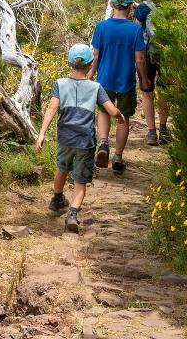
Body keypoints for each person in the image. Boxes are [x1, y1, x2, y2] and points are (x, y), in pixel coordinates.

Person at [34, 43, 123, 232]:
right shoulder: (96, 87)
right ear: (91, 65)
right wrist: (119, 116)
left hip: (65, 138)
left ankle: (57, 198)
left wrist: (41, 133)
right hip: (85, 140)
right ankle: (73, 214)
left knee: (62, 168)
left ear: (69, 63)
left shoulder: (60, 84)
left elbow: (52, 108)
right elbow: (111, 110)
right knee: (81, 180)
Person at [90, 0, 149, 175]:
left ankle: (104, 143)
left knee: (104, 112)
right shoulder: (135, 30)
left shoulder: (101, 27)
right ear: (131, 6)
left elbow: (95, 55)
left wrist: (90, 76)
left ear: (111, 4)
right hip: (126, 82)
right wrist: (144, 80)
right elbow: (139, 59)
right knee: (123, 118)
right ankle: (117, 157)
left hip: (105, 81)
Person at [135, 0, 173, 145]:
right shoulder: (174, 4)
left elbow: (137, 32)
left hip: (146, 54)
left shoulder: (143, 8)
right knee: (165, 91)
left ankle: (151, 132)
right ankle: (164, 128)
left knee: (147, 92)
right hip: (168, 54)